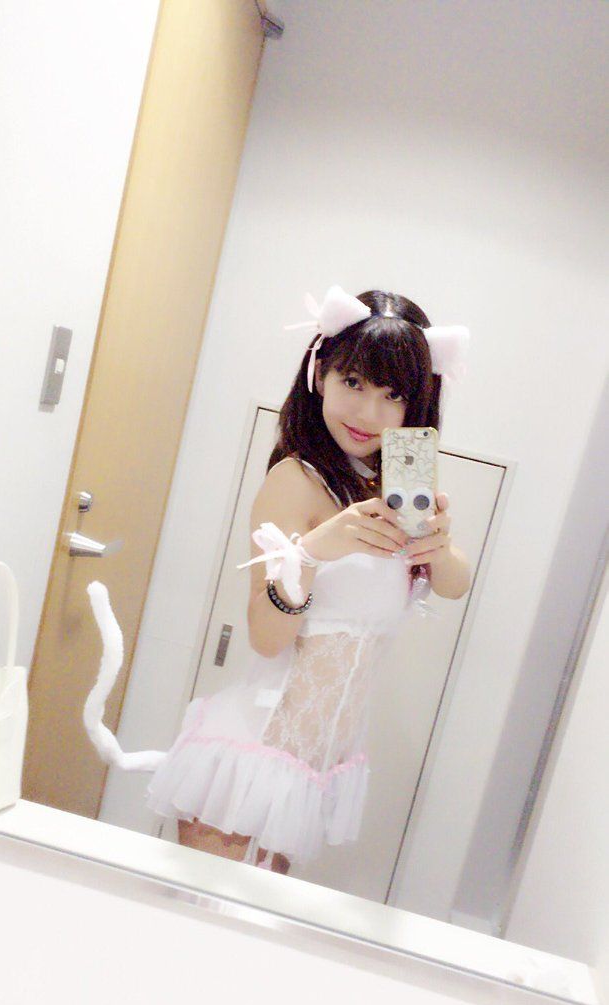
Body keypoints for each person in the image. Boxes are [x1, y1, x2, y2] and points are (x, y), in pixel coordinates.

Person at [83, 285, 471, 873]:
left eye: (392, 395)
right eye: (353, 382)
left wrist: (438, 547)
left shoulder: (387, 484)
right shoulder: (296, 480)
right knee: (207, 920)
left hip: (311, 769)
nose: (367, 413)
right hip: (256, 753)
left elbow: (454, 584)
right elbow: (267, 639)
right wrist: (311, 551)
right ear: (320, 373)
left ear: (416, 405)